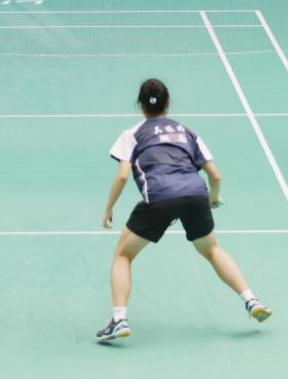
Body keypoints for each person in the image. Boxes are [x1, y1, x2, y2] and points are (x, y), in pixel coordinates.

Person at [96, 79, 270, 343]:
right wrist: (212, 199)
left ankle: (119, 320)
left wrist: (109, 208)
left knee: (123, 255)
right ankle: (251, 300)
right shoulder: (187, 133)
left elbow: (122, 176)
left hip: (160, 197)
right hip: (196, 194)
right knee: (212, 250)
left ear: (141, 105)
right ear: (167, 103)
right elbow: (216, 176)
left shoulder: (131, 134)